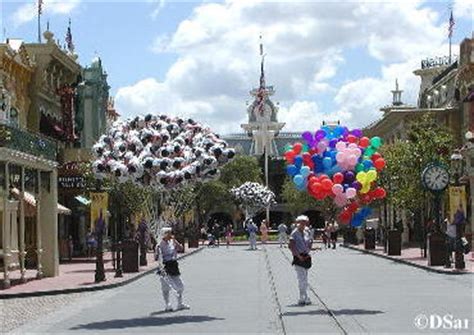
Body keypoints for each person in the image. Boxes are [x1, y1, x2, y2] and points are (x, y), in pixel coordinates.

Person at [155, 227, 190, 312]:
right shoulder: (160, 244)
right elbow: (157, 257)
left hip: (173, 265)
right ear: (164, 234)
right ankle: (168, 304)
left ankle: (180, 303)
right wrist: (158, 252)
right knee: (165, 287)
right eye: (169, 233)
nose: (171, 235)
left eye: (171, 233)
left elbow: (181, 248)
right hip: (165, 266)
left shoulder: (172, 242)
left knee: (180, 285)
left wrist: (175, 241)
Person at [289, 215, 312, 305]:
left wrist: (310, 249)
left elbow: (309, 242)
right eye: (301, 222)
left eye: (304, 222)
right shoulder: (294, 233)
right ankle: (304, 296)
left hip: (306, 257)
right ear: (298, 223)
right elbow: (291, 246)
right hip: (298, 257)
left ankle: (302, 296)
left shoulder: (307, 232)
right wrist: (298, 256)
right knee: (302, 278)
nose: (303, 224)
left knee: (304, 277)